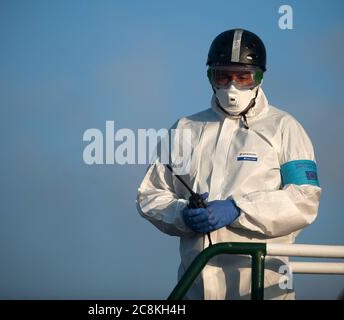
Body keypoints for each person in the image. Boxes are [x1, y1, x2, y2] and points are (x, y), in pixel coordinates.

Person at [136, 28, 321, 300]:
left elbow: (305, 200)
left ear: (258, 77)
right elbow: (151, 195)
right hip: (194, 287)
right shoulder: (184, 130)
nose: (232, 87)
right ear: (210, 77)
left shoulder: (285, 128)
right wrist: (182, 213)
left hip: (261, 287)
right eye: (223, 76)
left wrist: (239, 209)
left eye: (243, 77)